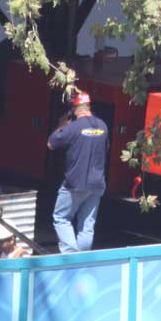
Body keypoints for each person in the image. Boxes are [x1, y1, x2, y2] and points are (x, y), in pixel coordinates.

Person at [47, 90, 108, 253]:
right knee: (87, 225)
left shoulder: (73, 127)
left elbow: (51, 143)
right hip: (97, 184)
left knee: (61, 218)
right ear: (88, 106)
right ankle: (82, 260)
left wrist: (63, 124)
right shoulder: (103, 126)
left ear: (74, 109)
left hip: (75, 183)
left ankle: (70, 256)